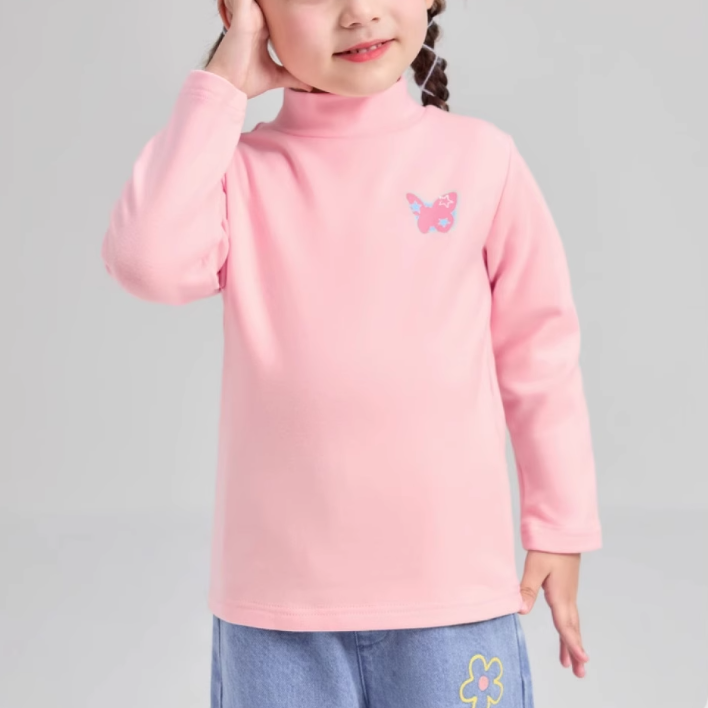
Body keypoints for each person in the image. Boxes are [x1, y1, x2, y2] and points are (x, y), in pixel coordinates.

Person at [100, 0, 602, 706]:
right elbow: (146, 261)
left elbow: (539, 352)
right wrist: (224, 80)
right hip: (275, 612)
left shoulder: (481, 159)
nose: (360, 12)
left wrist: (558, 524)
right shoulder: (238, 173)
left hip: (451, 594)